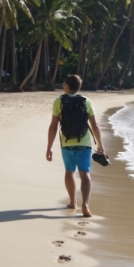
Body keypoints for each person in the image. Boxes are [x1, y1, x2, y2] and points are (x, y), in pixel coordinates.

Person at [46, 74, 105, 218]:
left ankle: (73, 202)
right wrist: (100, 144)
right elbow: (94, 125)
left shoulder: (59, 101)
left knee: (69, 172)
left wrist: (49, 147)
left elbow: (53, 126)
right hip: (84, 143)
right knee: (84, 174)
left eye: (63, 85)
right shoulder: (86, 101)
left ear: (67, 86)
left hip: (67, 143)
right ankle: (85, 204)